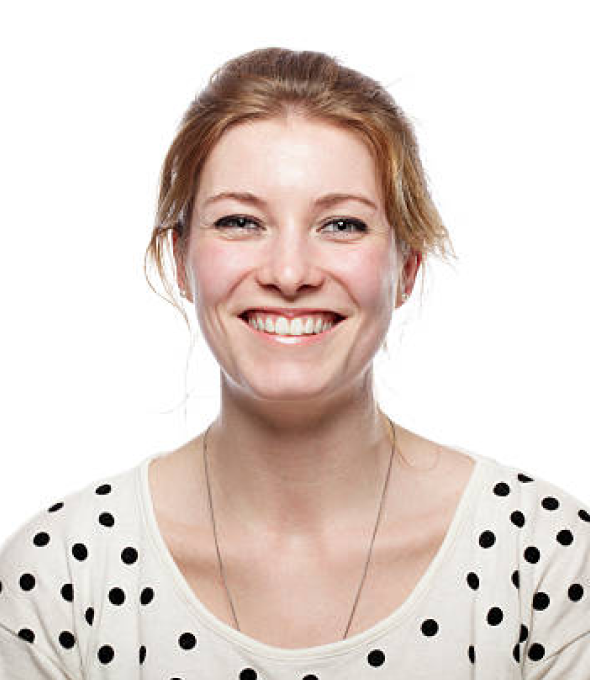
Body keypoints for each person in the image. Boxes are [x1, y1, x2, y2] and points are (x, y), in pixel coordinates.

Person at [1, 47, 589, 680]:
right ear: (180, 260)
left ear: (408, 268)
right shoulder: (60, 574)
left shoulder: (542, 561)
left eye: (341, 224)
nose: (288, 273)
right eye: (240, 221)